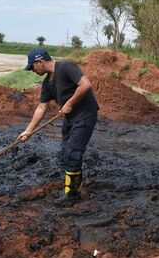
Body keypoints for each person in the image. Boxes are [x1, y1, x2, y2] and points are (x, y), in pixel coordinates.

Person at [18, 48, 99, 206]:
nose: (32, 71)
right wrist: (29, 130)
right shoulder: (47, 82)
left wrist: (69, 103)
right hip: (70, 119)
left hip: (85, 115)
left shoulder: (66, 67)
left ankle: (72, 195)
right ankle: (75, 185)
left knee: (72, 152)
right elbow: (41, 108)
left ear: (40, 62)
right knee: (65, 152)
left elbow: (85, 85)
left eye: (32, 67)